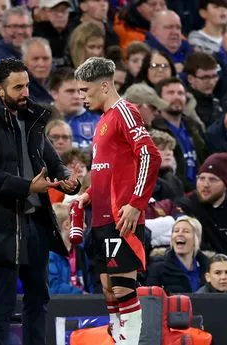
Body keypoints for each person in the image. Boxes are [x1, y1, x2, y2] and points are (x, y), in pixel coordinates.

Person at [0, 58, 80, 345]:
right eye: (18, 87)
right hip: (1, 222)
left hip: (35, 220)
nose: (25, 92)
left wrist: (65, 175)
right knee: (3, 300)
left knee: (38, 295)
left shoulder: (30, 116)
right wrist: (28, 186)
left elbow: (52, 159)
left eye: (27, 85)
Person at [75, 57, 161, 345]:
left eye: (85, 90)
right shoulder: (103, 120)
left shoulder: (124, 111)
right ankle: (117, 339)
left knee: (124, 288)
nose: (81, 96)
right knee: (109, 290)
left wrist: (136, 203)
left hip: (120, 217)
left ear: (104, 85)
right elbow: (107, 168)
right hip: (100, 216)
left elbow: (150, 154)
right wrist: (89, 194)